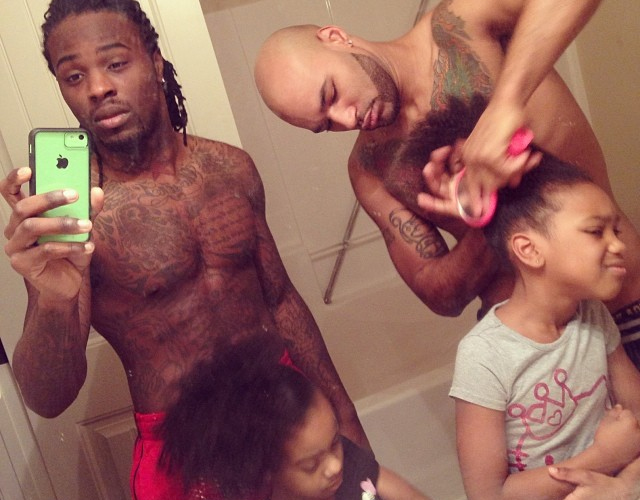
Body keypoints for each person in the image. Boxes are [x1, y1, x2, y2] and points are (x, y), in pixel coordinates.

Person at [0, 1, 367, 499]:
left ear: (154, 61)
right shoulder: (73, 214)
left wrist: (344, 415)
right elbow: (48, 397)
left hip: (289, 422)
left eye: (115, 63)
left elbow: (281, 301)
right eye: (74, 76)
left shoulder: (230, 168)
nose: (98, 87)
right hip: (187, 456)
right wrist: (53, 298)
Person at [252, 1, 640, 361]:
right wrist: (485, 212)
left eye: (332, 94)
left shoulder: (460, 25)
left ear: (336, 37)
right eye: (326, 125)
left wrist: (506, 102)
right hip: (530, 356)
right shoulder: (370, 168)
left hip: (624, 305)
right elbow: (441, 295)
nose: (346, 118)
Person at [448, 158, 640, 500]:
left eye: (617, 231)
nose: (618, 246)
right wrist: (604, 457)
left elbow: (636, 413)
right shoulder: (484, 355)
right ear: (530, 250)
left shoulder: (592, 315)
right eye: (596, 232)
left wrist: (624, 484)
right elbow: (489, 494)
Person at [159, 332, 433, 500]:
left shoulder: (347, 465)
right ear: (266, 472)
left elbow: (406, 494)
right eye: (311, 465)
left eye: (334, 442)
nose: (334, 465)